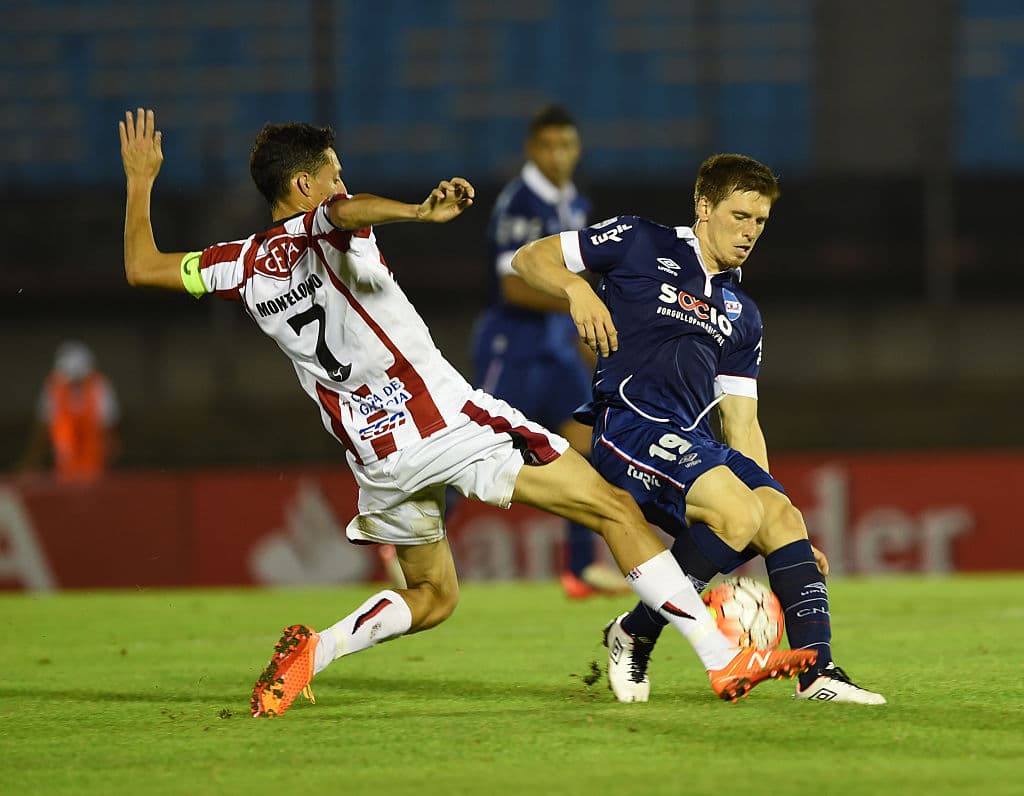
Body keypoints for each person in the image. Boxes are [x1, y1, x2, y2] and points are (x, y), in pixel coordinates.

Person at [118, 109, 816, 718]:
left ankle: (314, 652)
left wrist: (142, 181)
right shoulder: (325, 225)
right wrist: (416, 212)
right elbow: (345, 213)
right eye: (334, 175)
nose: (342, 184)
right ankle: (721, 656)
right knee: (614, 509)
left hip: (376, 457)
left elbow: (143, 267)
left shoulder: (238, 263)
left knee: (432, 595)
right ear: (304, 185)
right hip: (441, 421)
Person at [511, 153, 885, 705]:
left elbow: (742, 421)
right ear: (704, 207)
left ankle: (817, 673)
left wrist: (776, 512)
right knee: (737, 512)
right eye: (740, 216)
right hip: (630, 426)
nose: (750, 231)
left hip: (694, 443)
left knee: (782, 517)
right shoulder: (639, 240)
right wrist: (578, 290)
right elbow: (528, 258)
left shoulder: (742, 313)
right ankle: (638, 634)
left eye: (760, 221)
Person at [472, 105, 624, 598]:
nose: (558, 155)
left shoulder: (574, 201)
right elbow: (513, 286)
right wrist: (579, 299)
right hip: (512, 347)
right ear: (532, 149)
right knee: (471, 447)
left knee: (586, 440)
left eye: (567, 145)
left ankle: (579, 568)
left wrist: (590, 342)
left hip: (557, 349)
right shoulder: (519, 202)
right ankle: (406, 542)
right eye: (549, 146)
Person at [20, 340, 120, 482]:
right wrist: (32, 463)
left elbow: (109, 430)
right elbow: (42, 428)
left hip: (94, 467)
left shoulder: (100, 387)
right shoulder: (53, 387)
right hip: (64, 465)